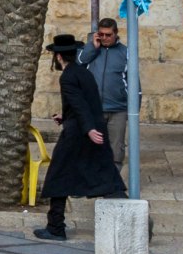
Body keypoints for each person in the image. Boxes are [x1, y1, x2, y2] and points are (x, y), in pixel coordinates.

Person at [35, 35, 126, 241]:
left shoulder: (67, 76)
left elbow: (80, 104)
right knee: (107, 178)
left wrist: (87, 129)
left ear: (58, 57)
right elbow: (87, 103)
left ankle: (56, 227)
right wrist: (67, 117)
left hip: (78, 135)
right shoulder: (84, 73)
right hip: (92, 130)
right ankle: (133, 221)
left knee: (58, 177)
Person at [76, 17, 130, 171]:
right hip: (94, 108)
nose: (105, 38)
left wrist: (134, 109)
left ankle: (113, 181)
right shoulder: (91, 49)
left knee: (116, 146)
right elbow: (80, 62)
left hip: (118, 108)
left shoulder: (125, 52)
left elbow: (133, 82)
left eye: (108, 35)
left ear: (116, 34)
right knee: (90, 146)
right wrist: (93, 46)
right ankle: (91, 181)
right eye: (102, 34)